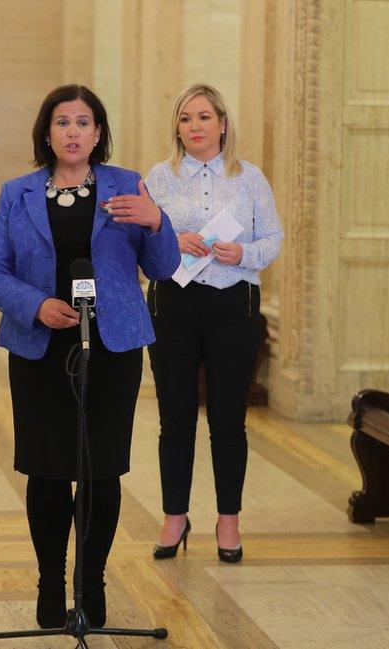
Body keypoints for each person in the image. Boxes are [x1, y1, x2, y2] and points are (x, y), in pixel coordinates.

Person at [0, 84, 179, 629]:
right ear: (46, 132)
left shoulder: (128, 186)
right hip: (40, 348)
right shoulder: (16, 193)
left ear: (98, 133)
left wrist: (158, 222)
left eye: (83, 122)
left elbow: (162, 268)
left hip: (111, 346)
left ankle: (91, 585)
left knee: (100, 470)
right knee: (46, 471)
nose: (73, 132)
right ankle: (50, 584)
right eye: (62, 122)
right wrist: (35, 305)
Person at [143, 84, 283, 563]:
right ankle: (174, 517)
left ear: (223, 123)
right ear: (177, 128)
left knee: (228, 421)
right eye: (185, 119)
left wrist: (243, 252)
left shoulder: (249, 178)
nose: (194, 126)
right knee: (174, 418)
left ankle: (229, 521)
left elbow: (273, 239)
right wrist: (172, 239)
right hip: (172, 305)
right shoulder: (158, 178)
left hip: (233, 307)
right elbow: (139, 245)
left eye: (204, 117)